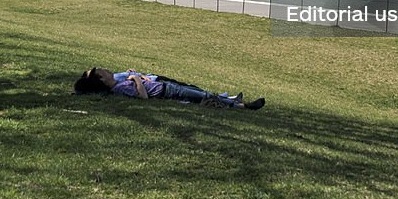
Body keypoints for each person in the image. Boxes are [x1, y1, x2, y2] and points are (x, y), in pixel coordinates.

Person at [74, 68, 264, 110]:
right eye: (101, 71)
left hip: (165, 87)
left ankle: (232, 101)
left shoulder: (118, 83)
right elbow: (143, 97)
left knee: (200, 94)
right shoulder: (119, 88)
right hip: (167, 91)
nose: (106, 70)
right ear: (101, 79)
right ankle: (242, 106)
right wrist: (137, 79)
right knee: (202, 94)